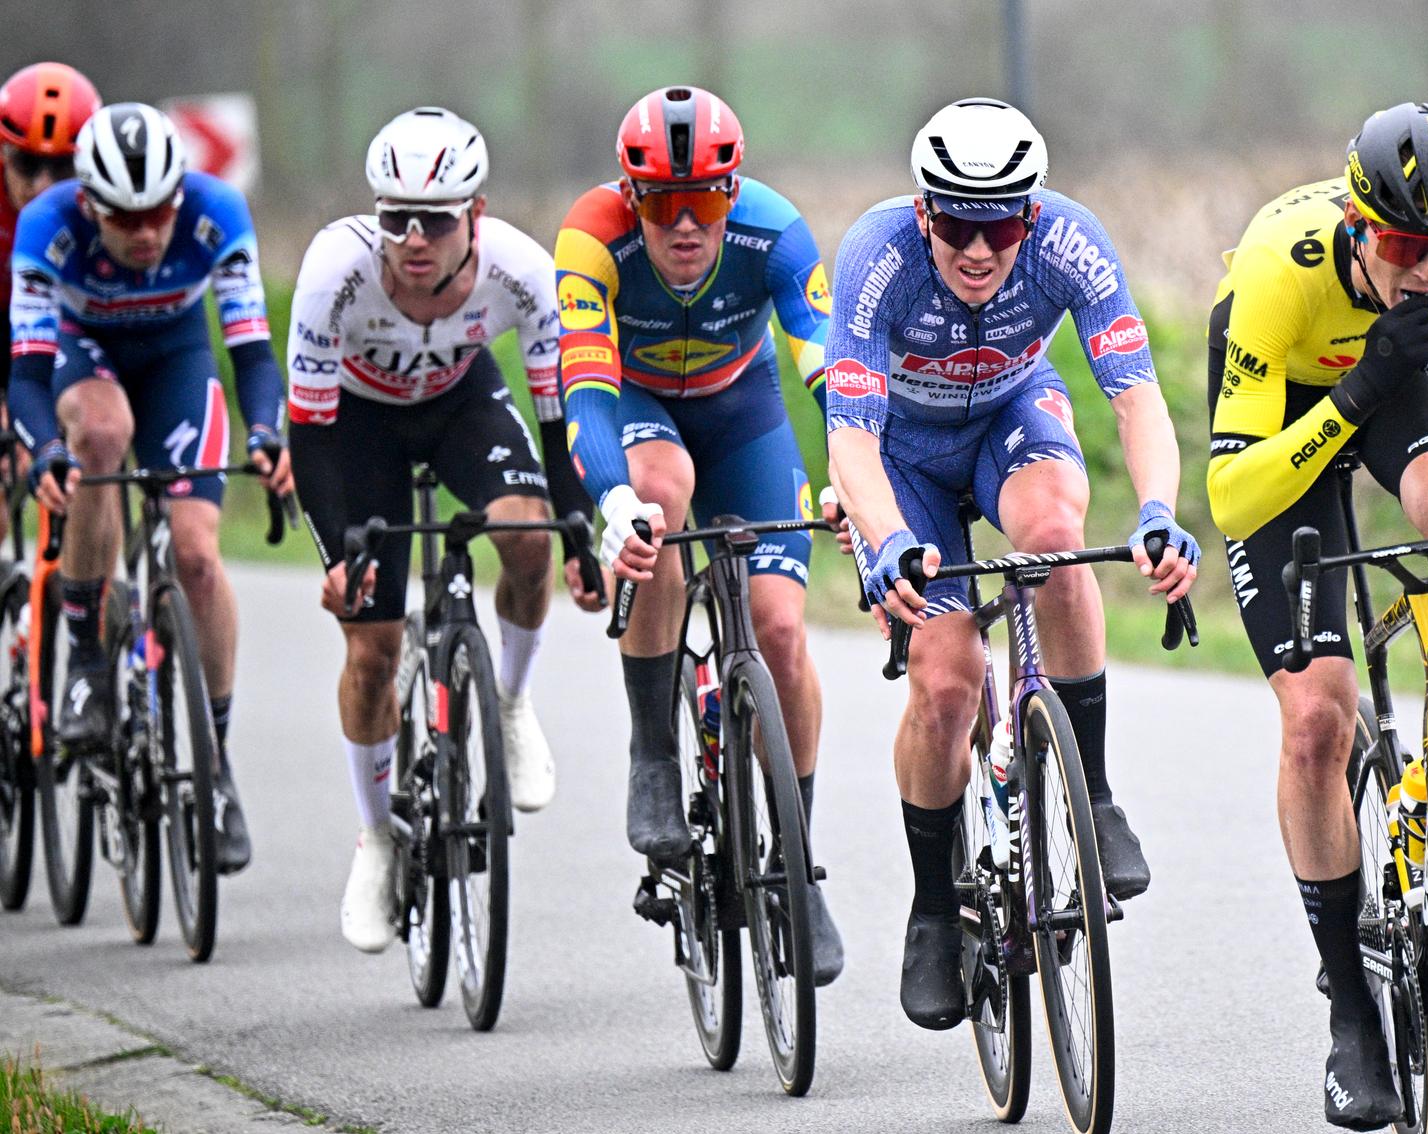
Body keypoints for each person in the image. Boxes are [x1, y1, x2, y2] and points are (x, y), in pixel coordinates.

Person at [1204, 102, 1428, 1131]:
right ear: (1360, 228)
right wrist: (1359, 388)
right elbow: (1233, 498)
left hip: (1406, 373)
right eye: (1406, 248)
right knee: (1318, 717)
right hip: (1293, 408)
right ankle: (1352, 1013)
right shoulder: (1278, 269)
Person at [825, 97, 1199, 1030]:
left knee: (1055, 536)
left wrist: (1159, 511)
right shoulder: (877, 257)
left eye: (999, 228)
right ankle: (930, 909)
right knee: (947, 680)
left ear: (1030, 216)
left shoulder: (1070, 241)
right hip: (902, 456)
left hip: (1011, 418)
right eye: (956, 225)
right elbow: (852, 440)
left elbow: (1138, 398)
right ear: (923, 212)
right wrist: (887, 540)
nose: (978, 250)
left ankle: (1094, 796)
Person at [287, 106, 596, 952]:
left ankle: (512, 702)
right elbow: (309, 433)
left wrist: (578, 536)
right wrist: (339, 554)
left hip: (461, 402)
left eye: (436, 220)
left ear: (476, 215)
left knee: (528, 535)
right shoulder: (333, 273)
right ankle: (377, 837)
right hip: (358, 426)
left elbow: (557, 419)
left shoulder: (522, 272)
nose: (414, 239)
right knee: (372, 650)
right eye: (396, 219)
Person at [557, 85, 844, 984]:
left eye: (706, 201)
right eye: (663, 204)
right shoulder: (590, 239)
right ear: (631, 197)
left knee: (781, 630)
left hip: (742, 410)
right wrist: (613, 504)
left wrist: (853, 472)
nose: (686, 225)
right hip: (638, 405)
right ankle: (653, 751)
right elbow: (585, 393)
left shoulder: (775, 232)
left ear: (733, 193)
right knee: (659, 493)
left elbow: (827, 363)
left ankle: (797, 859)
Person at [8, 101, 290, 872]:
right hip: (83, 352)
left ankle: (216, 765)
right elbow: (27, 375)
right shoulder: (46, 225)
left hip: (176, 359)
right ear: (88, 203)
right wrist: (45, 450)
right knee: (101, 436)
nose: (146, 233)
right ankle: (87, 664)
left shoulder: (216, 212)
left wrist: (266, 434)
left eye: (159, 211)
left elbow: (252, 355)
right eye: (124, 218)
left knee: (197, 556)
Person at [0, 61, 100, 529]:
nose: (43, 185)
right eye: (27, 164)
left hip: (62, 329)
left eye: (63, 168)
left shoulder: (102, 202)